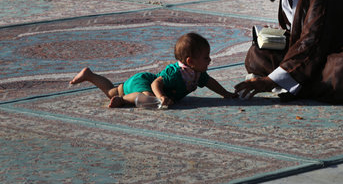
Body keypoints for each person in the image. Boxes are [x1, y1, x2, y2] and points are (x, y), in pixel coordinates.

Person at [69, 32, 237, 107]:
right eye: (206, 57)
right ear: (190, 61)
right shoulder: (175, 72)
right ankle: (124, 100)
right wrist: (161, 96)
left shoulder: (197, 74)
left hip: (139, 83)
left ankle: (89, 75)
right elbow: (156, 83)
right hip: (144, 81)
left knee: (112, 91)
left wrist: (225, 93)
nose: (210, 60)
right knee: (149, 98)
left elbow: (210, 83)